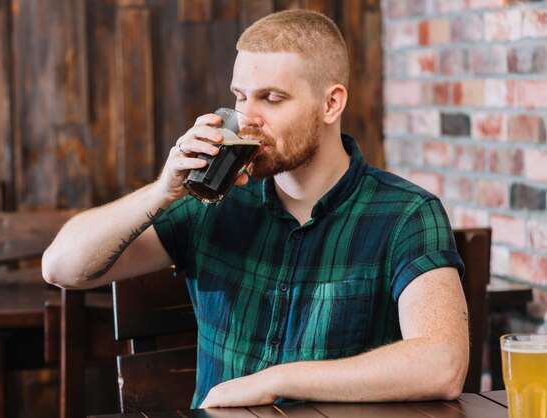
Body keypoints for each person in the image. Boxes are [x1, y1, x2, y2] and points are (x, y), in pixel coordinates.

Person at [42, 9, 469, 409]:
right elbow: (61, 268)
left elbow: (443, 363)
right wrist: (160, 192)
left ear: (331, 104)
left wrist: (277, 380)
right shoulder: (210, 203)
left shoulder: (406, 213)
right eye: (240, 96)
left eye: (271, 98)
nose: (247, 118)